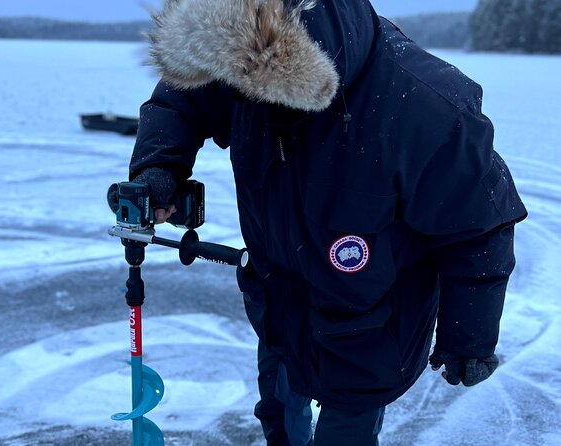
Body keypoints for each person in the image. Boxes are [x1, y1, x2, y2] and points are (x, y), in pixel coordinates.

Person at [126, 0, 528, 444]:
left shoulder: (424, 106)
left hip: (373, 330)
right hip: (279, 304)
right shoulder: (236, 52)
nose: (238, 87)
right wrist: (159, 167)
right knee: (279, 420)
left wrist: (468, 336)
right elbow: (182, 101)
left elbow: (478, 226)